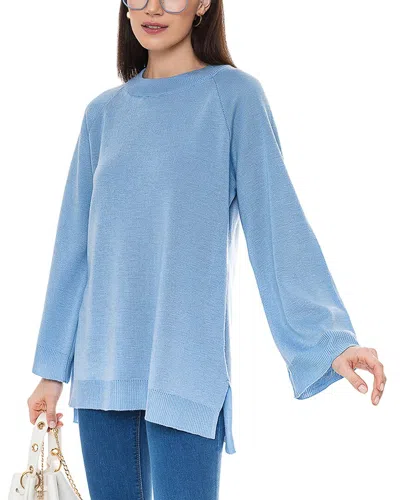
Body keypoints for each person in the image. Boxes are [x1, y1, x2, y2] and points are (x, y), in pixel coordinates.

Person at [27, 0, 387, 498]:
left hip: (186, 373)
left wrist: (331, 341)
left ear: (202, 4)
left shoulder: (234, 97)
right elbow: (73, 250)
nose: (153, 8)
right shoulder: (102, 115)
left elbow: (276, 226)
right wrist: (51, 372)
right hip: (101, 373)